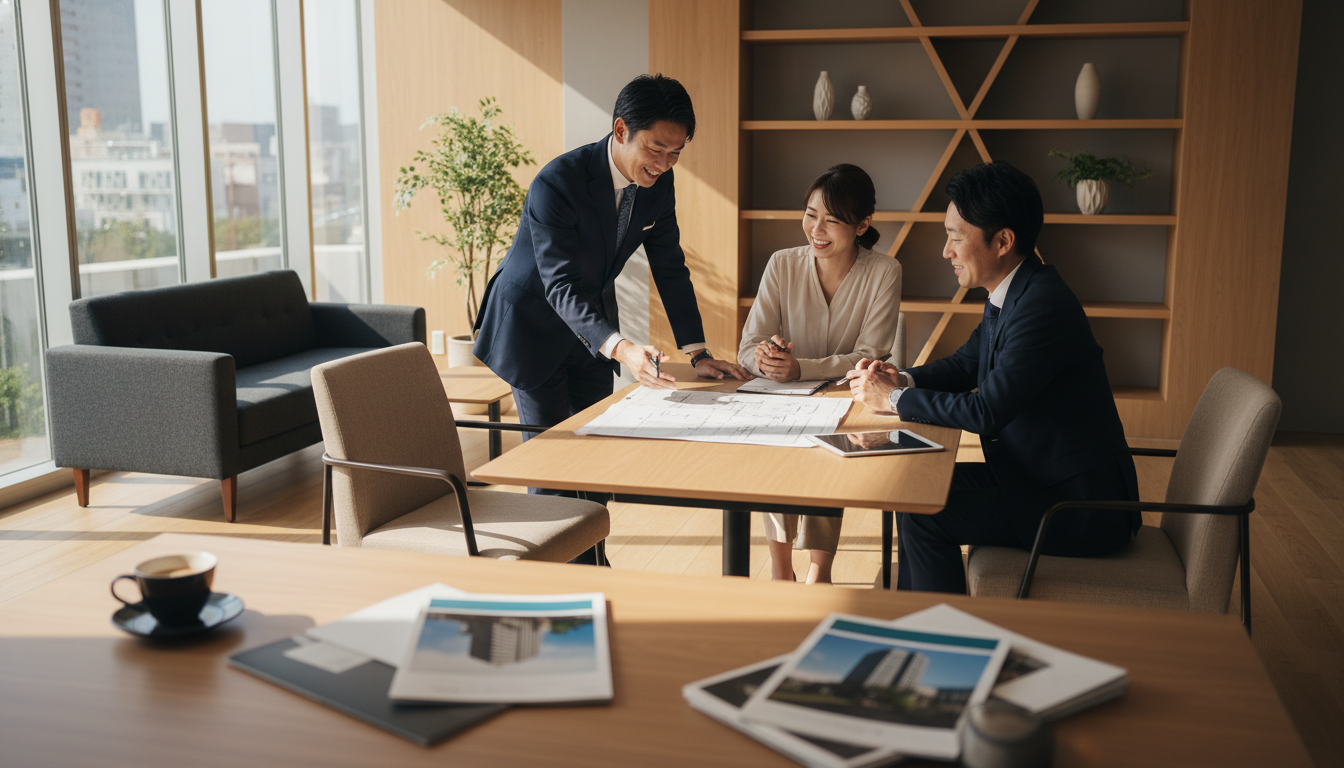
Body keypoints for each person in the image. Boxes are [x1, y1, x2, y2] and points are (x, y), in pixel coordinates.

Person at [473, 74, 750, 564]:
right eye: (656, 148)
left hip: (592, 329)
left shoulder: (658, 187)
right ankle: (560, 582)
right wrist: (622, 348)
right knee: (553, 465)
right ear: (621, 130)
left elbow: (670, 267)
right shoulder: (558, 182)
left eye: (676, 153)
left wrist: (698, 352)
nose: (664, 164)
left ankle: (594, 565)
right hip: (532, 326)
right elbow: (559, 286)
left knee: (596, 456)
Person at [848, 161, 1139, 593]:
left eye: (955, 237)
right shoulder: (1017, 290)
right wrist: (900, 378)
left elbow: (986, 411)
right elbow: (965, 364)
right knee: (915, 490)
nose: (946, 252)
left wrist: (892, 399)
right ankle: (914, 616)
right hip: (1035, 477)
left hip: (1077, 505)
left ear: (1003, 241)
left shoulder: (1042, 305)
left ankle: (936, 629)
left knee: (927, 513)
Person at [738, 163, 901, 584]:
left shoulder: (884, 271)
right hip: (781, 396)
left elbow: (870, 354)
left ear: (862, 225)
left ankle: (819, 571)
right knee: (777, 446)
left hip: (847, 397)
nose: (817, 229)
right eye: (811, 215)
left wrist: (801, 369)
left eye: (832, 220)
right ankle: (780, 570)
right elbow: (747, 346)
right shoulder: (782, 264)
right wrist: (766, 358)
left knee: (829, 448)